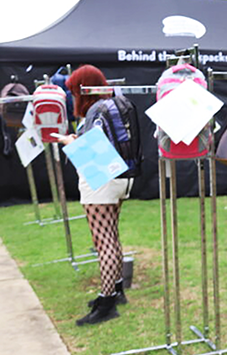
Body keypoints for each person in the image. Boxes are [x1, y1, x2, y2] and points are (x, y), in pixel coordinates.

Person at [59, 65, 132, 326]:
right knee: (111, 235)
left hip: (99, 179)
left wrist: (69, 142)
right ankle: (117, 288)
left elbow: (92, 152)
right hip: (120, 178)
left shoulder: (94, 111)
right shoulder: (112, 104)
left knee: (103, 241)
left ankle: (107, 301)